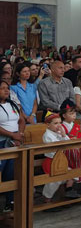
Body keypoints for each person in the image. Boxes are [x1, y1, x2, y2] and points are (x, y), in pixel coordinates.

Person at [42, 113, 80, 201]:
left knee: (73, 174)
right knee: (53, 182)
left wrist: (63, 135)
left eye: (60, 123)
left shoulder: (58, 133)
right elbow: (54, 149)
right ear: (48, 125)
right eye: (55, 123)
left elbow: (68, 144)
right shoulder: (47, 135)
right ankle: (46, 200)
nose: (59, 126)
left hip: (61, 161)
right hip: (52, 162)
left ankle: (68, 190)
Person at [0, 80, 25, 211]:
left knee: (12, 172)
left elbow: (21, 120)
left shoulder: (13, 104)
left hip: (14, 142)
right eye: (2, 88)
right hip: (2, 143)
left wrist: (19, 134)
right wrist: (12, 135)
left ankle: (10, 202)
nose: (6, 90)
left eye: (7, 88)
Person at [59, 100, 81, 182]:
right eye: (71, 114)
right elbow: (60, 139)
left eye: (74, 113)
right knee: (71, 168)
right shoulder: (61, 126)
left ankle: (76, 185)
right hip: (67, 151)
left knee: (79, 166)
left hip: (77, 149)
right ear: (64, 115)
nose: (74, 115)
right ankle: (69, 188)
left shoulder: (75, 125)